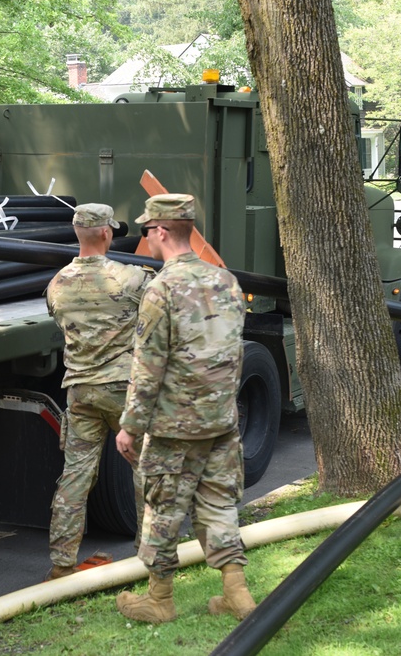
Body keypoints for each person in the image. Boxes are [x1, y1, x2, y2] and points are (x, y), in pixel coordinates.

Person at [113, 193, 256, 623]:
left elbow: (148, 366)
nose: (146, 239)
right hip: (221, 421)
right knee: (218, 504)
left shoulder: (161, 289)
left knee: (162, 508)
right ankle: (237, 593)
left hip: (175, 424)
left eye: (145, 231)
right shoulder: (226, 281)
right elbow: (232, 352)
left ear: (160, 232)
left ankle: (159, 599)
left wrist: (130, 427)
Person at [44, 203, 150, 581]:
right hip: (123, 390)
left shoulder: (57, 284)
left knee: (75, 476)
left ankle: (61, 563)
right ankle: (148, 558)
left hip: (80, 390)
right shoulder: (131, 278)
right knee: (145, 472)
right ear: (107, 232)